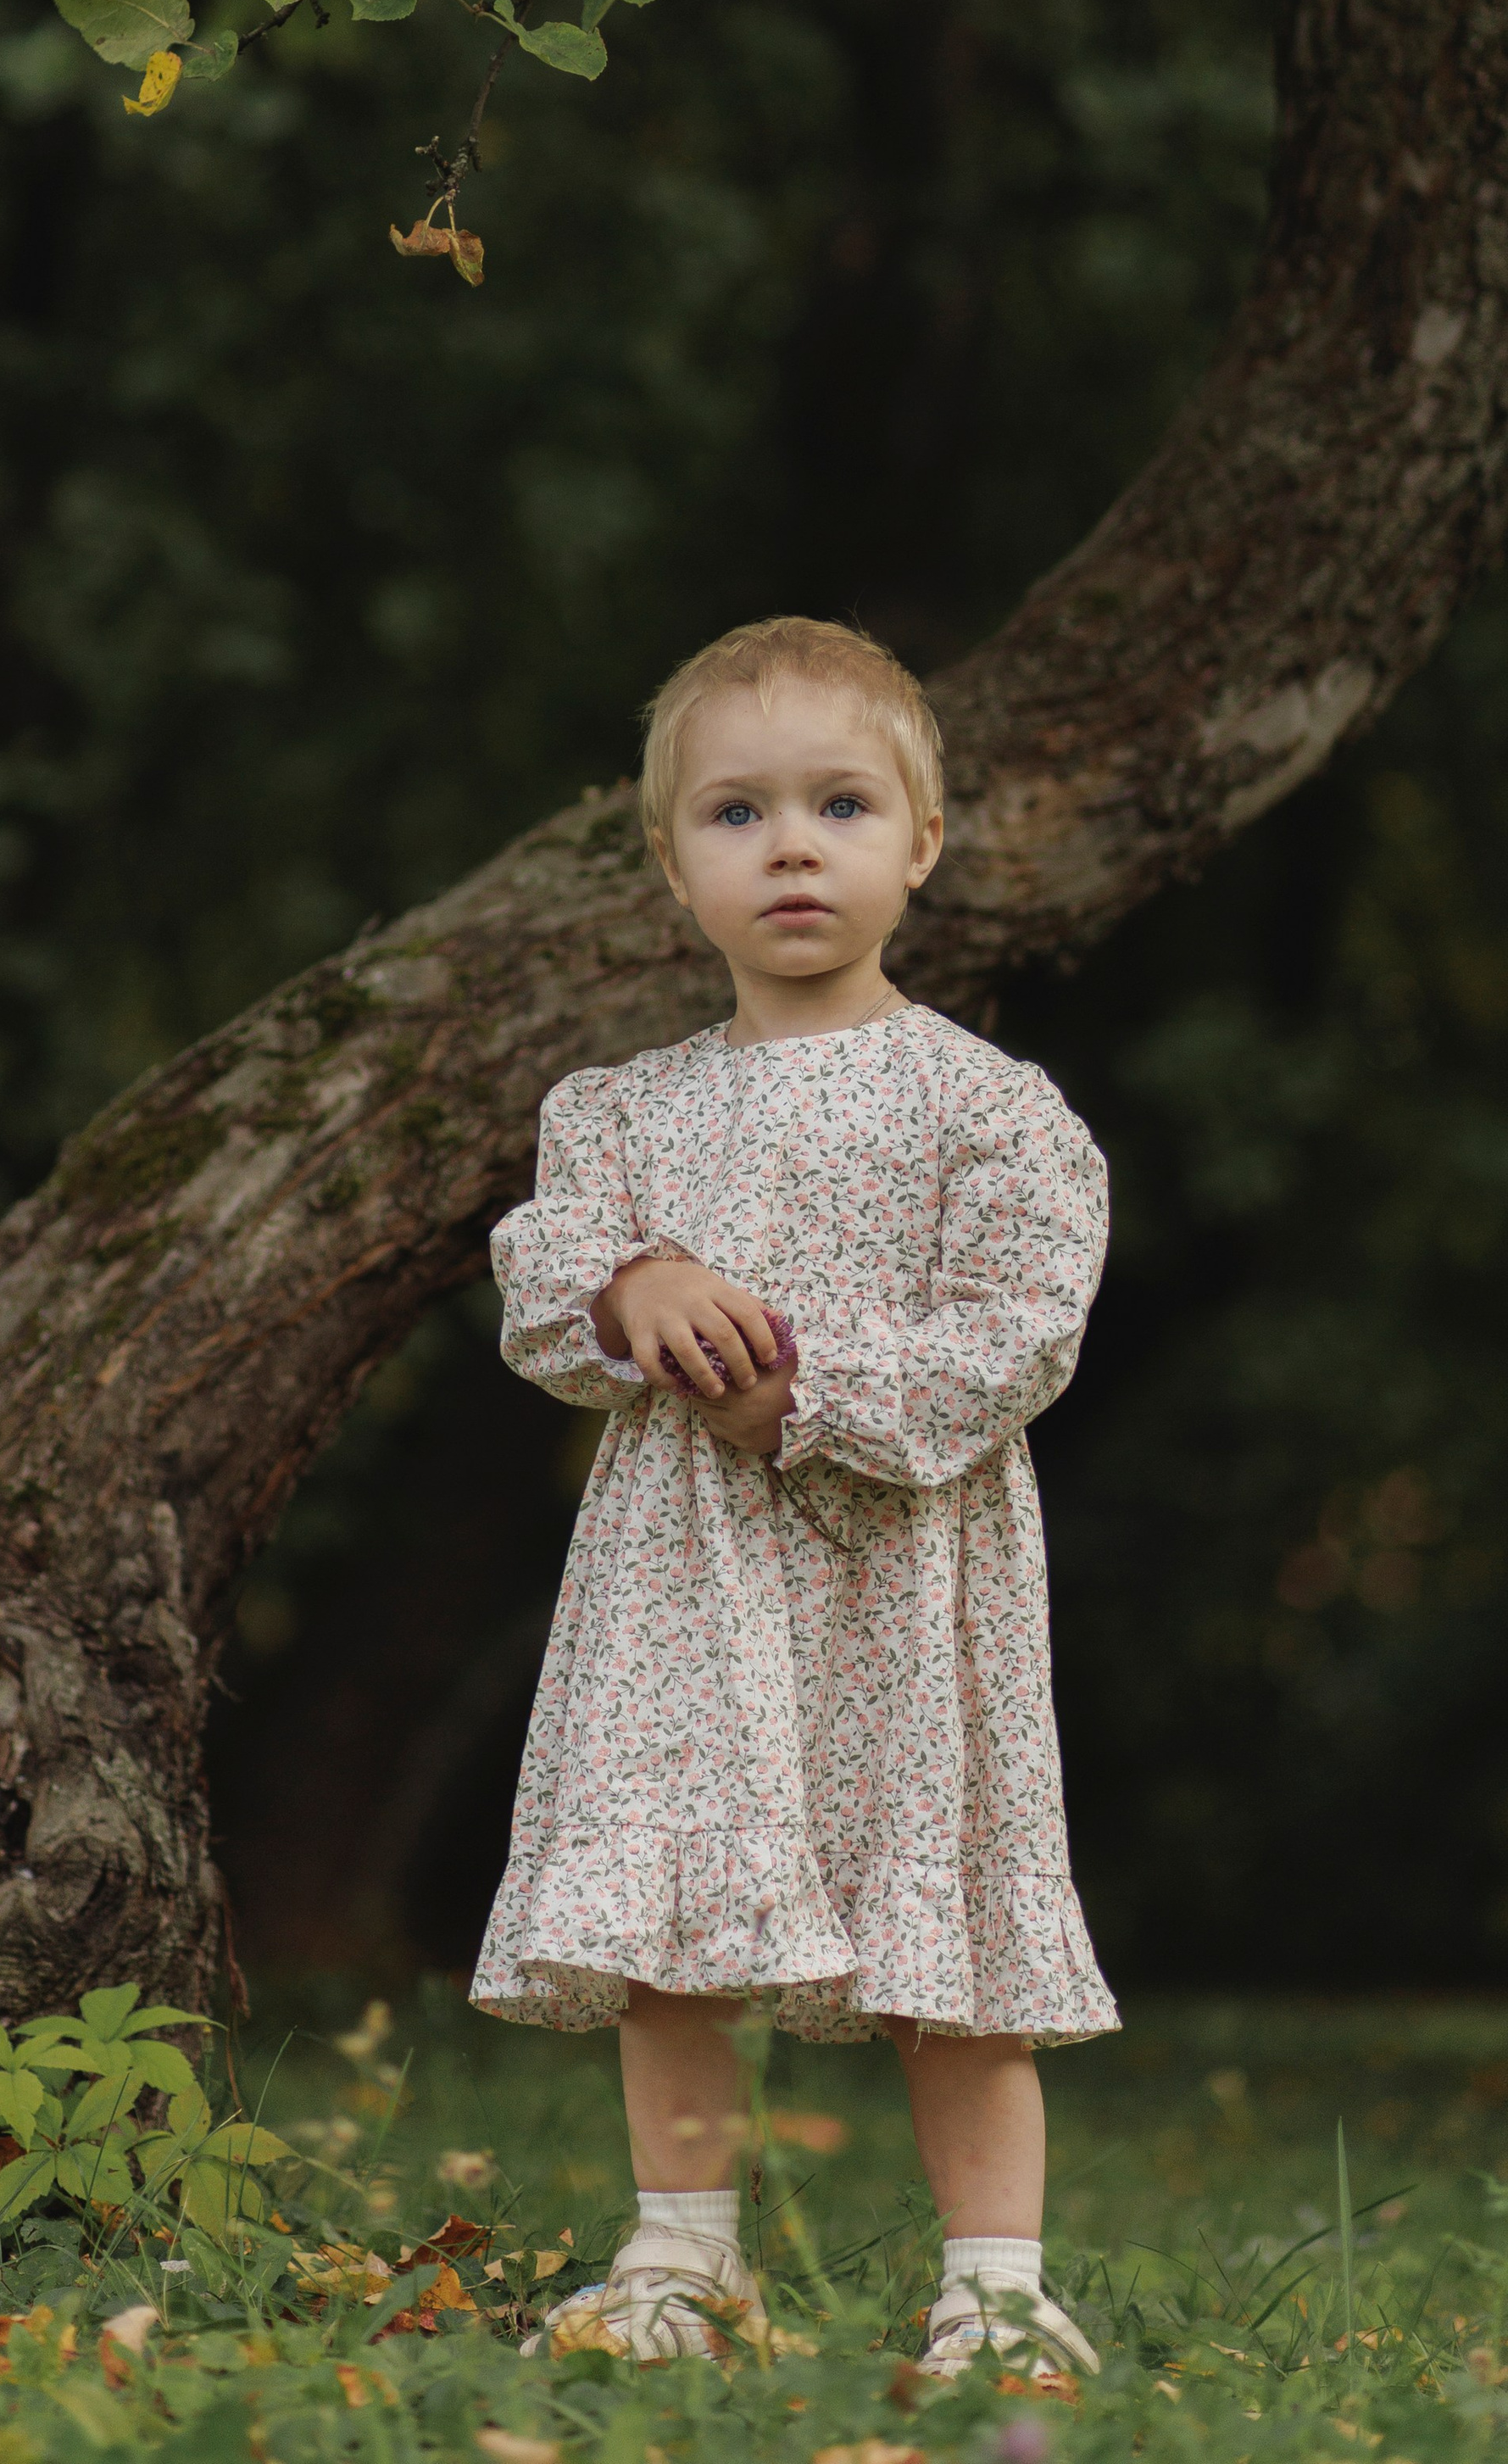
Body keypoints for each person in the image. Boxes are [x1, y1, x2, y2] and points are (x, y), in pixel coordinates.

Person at [471, 613, 1114, 2381]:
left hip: (902, 1580)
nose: (789, 846)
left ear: (919, 841)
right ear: (673, 865)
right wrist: (629, 1290)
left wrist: (795, 1401)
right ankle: (680, 2265)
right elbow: (539, 1279)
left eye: (837, 804)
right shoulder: (616, 1116)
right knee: (676, 1928)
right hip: (685, 1595)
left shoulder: (987, 1108)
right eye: (735, 814)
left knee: (945, 1940)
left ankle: (992, 2290)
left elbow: (1015, 1334)